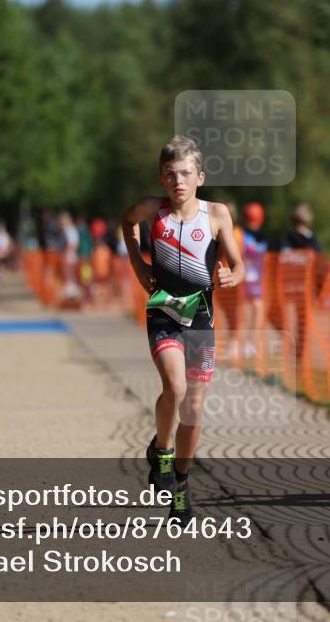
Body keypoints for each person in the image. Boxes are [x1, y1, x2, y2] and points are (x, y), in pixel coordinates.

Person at [121, 135, 245, 524]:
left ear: (200, 178)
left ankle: (180, 485)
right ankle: (161, 448)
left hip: (201, 318)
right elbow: (127, 224)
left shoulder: (217, 214)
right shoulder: (152, 210)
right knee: (175, 387)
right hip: (163, 311)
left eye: (186, 174)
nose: (178, 181)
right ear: (161, 179)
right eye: (171, 174)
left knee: (193, 407)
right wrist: (139, 266)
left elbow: (239, 266)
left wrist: (231, 276)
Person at [240, 202, 268, 359]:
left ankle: (251, 344)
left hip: (255, 278)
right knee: (248, 309)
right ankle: (244, 343)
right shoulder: (242, 235)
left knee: (255, 308)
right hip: (245, 277)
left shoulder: (261, 237)